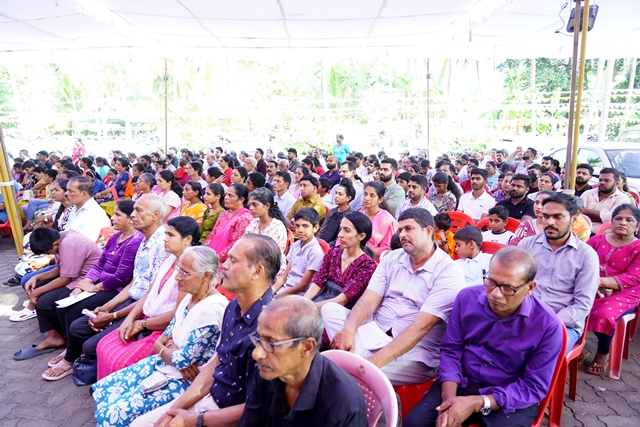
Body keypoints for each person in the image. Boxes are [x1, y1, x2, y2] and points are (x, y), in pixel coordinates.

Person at [403, 247, 564, 427]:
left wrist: (477, 402)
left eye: (508, 288)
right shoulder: (466, 299)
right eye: (491, 282)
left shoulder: (547, 325)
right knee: (414, 423)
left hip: (509, 396)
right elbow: (451, 349)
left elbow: (533, 386)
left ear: (529, 288)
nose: (495, 294)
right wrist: (450, 402)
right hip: (461, 382)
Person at [129, 235, 279, 427]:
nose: (224, 265)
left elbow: (258, 407)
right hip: (210, 397)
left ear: (257, 272)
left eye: (233, 261)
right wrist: (172, 412)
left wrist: (195, 420)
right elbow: (217, 364)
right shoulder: (233, 308)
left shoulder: (271, 328)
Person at [322, 208, 465, 385]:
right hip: (374, 333)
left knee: (349, 373)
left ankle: (352, 368)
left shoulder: (449, 272)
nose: (402, 235)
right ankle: (353, 364)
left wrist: (371, 365)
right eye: (400, 230)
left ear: (428, 231)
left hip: (412, 353)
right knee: (330, 310)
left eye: (408, 229)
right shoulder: (392, 259)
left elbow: (421, 328)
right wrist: (349, 330)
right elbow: (368, 300)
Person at [92, 247, 228, 427]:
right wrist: (165, 347)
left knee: (117, 412)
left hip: (184, 381)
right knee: (110, 387)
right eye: (178, 270)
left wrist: (164, 346)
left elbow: (182, 360)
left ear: (206, 276)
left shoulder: (212, 310)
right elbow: (166, 336)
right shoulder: (190, 298)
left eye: (185, 273)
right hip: (166, 366)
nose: (177, 277)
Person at [35, 201, 143, 379]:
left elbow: (122, 277)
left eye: (117, 215)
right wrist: (83, 283)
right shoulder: (116, 237)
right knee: (63, 303)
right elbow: (99, 264)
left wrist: (95, 287)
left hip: (115, 288)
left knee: (73, 309)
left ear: (130, 218)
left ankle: (70, 359)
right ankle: (72, 347)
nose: (112, 218)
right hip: (101, 283)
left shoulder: (134, 242)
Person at [62, 195, 168, 372]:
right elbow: (134, 283)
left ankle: (95, 360)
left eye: (138, 210)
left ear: (155, 215)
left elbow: (150, 294)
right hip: (131, 300)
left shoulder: (162, 244)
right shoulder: (144, 240)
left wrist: (113, 315)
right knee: (78, 327)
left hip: (145, 308)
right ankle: (86, 356)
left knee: (90, 345)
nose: (132, 215)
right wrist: (107, 307)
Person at [95, 216, 202, 379]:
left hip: (166, 330)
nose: (165, 239)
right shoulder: (169, 259)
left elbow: (178, 313)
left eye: (170, 235)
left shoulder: (190, 268)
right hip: (149, 318)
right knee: (103, 345)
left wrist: (142, 324)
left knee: (120, 362)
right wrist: (129, 320)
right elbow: (149, 294)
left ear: (187, 239)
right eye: (165, 234)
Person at [239, 296, 367, 427]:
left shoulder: (344, 408)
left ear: (307, 347)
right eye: (259, 339)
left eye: (271, 343)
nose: (256, 354)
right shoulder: (268, 372)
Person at [518, 194, 599, 350]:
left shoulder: (586, 255)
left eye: (557, 217)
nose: (550, 222)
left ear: (574, 218)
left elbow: (582, 304)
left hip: (563, 323)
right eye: (546, 216)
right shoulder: (526, 245)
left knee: (543, 349)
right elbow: (514, 284)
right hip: (523, 316)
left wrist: (548, 322)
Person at [13, 229, 101, 361]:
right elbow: (60, 269)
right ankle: (54, 336)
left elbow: (65, 279)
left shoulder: (69, 244)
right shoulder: (61, 240)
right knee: (38, 288)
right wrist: (36, 277)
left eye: (49, 252)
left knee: (44, 301)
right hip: (75, 276)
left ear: (55, 244)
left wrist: (37, 293)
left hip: (88, 280)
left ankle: (66, 337)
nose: (50, 255)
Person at [583, 204, 640, 375]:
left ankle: (603, 352)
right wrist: (589, 282)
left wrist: (599, 282)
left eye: (629, 220)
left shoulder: (638, 247)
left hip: (625, 292)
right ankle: (580, 346)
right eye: (618, 219)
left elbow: (634, 277)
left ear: (637, 226)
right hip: (590, 285)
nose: (623, 222)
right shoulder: (597, 240)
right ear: (611, 222)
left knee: (604, 315)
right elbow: (580, 261)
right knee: (570, 304)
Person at [304, 211, 376, 310]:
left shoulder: (366, 264)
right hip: (320, 300)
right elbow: (317, 283)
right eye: (341, 229)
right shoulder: (333, 254)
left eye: (347, 230)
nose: (340, 235)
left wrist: (310, 307)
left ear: (361, 236)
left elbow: (342, 301)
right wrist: (304, 302)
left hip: (338, 310)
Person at [273, 208, 325, 296]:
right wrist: (270, 293)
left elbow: (302, 285)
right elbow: (284, 277)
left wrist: (277, 297)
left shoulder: (315, 252)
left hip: (298, 295)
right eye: (297, 226)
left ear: (315, 228)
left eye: (305, 226)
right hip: (284, 289)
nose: (300, 230)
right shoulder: (295, 245)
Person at [203, 183, 254, 269]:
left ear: (241, 199)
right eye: (226, 194)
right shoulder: (224, 214)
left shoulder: (245, 218)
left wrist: (216, 258)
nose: (226, 197)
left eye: (230, 195)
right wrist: (204, 251)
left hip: (227, 262)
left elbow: (235, 244)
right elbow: (212, 235)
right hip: (211, 255)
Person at [245, 188, 288, 276]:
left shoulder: (277, 226)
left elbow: (271, 256)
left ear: (267, 206)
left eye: (255, 204)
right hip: (252, 264)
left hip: (270, 269)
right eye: (250, 204)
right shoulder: (254, 223)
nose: (251, 208)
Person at [581, 168, 630, 234]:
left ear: (616, 183)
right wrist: (602, 218)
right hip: (581, 231)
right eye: (600, 180)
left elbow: (614, 218)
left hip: (606, 235)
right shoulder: (587, 193)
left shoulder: (623, 198)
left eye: (606, 180)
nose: (602, 182)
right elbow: (578, 214)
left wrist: (586, 211)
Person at [65, 176, 111, 242]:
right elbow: (67, 232)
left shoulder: (95, 214)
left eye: (71, 191)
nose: (66, 193)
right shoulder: (75, 207)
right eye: (67, 190)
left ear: (84, 194)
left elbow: (85, 244)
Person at [360, 181, 397, 261]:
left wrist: (363, 252)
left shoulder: (387, 220)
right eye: (365, 194)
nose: (366, 198)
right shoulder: (360, 214)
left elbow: (387, 248)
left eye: (372, 195)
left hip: (374, 261)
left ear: (380, 200)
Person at [317, 178, 355, 246]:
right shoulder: (332, 211)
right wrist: (317, 242)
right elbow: (322, 230)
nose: (336, 196)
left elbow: (340, 239)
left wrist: (326, 246)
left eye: (340, 194)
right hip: (323, 244)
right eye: (336, 193)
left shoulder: (350, 215)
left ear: (348, 198)